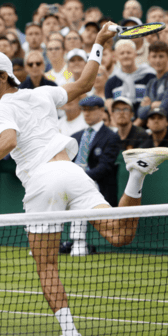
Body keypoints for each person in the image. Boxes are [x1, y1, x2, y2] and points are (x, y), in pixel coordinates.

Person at [0, 23, 168, 336]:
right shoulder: (42, 93)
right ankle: (137, 176)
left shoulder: (1, 107)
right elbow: (84, 84)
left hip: (43, 181)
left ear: (3, 76)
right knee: (120, 235)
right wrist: (98, 42)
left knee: (46, 266)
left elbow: (9, 140)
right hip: (72, 172)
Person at [67, 95, 121, 257]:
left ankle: (78, 242)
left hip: (94, 184)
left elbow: (104, 167)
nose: (87, 114)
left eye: (90, 110)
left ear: (101, 111)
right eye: (84, 110)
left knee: (81, 191)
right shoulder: (76, 136)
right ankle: (43, 240)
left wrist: (81, 178)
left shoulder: (111, 136)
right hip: (72, 180)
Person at [137, 41, 168, 131]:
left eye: (161, 56)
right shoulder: (151, 82)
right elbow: (140, 113)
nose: (157, 61)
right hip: (154, 133)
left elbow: (165, 108)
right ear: (149, 58)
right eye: (154, 57)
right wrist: (153, 105)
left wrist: (150, 104)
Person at [105, 39, 155, 118]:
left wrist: (135, 126)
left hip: (145, 124)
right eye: (122, 53)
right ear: (117, 57)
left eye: (129, 52)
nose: (125, 56)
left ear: (135, 54)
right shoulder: (111, 82)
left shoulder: (149, 76)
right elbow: (111, 111)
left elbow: (150, 104)